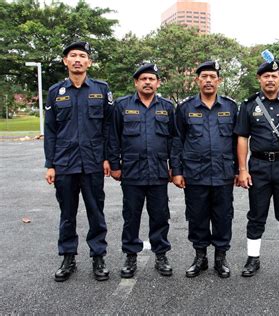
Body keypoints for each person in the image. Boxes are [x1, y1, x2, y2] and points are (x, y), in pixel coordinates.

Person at [44, 41, 113, 282]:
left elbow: (108, 127)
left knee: (96, 211)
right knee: (67, 213)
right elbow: (51, 130)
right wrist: (49, 164)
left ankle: (98, 256)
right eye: (72, 55)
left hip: (93, 162)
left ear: (89, 62)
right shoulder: (55, 92)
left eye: (82, 56)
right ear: (65, 61)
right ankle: (68, 257)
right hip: (64, 163)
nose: (77, 59)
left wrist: (107, 157)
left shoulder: (101, 90)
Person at [234, 56, 279, 277]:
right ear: (259, 79)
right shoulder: (248, 106)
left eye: (274, 76)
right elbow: (242, 138)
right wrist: (242, 169)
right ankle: (253, 259)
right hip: (258, 165)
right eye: (266, 76)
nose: (270, 80)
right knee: (256, 214)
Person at [171, 61, 238, 278]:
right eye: (204, 77)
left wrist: (239, 170)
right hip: (195, 173)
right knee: (197, 216)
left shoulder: (230, 107)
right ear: (197, 80)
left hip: (223, 173)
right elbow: (177, 141)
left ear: (219, 80)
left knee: (223, 216)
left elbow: (239, 142)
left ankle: (220, 258)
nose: (208, 80)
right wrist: (177, 170)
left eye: (212, 76)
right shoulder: (185, 108)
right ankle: (200, 257)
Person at [108, 63, 175, 278]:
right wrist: (115, 165)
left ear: (158, 83)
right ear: (136, 82)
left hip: (158, 171)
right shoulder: (121, 106)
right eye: (143, 79)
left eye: (151, 79)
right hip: (132, 171)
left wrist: (175, 167)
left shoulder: (167, 107)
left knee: (160, 215)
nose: (147, 82)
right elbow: (113, 137)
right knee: (131, 215)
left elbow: (175, 140)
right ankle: (130, 255)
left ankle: (161, 255)